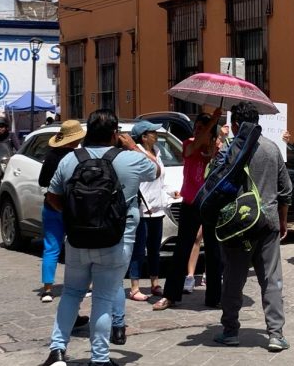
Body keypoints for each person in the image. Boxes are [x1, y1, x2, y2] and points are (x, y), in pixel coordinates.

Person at [41, 109, 157, 366]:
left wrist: (74, 217)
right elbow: (156, 171)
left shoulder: (70, 159)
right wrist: (132, 146)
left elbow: (52, 196)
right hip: (116, 241)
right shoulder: (129, 159)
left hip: (78, 239)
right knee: (103, 298)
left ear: (87, 133)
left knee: (71, 292)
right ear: (115, 133)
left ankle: (58, 351)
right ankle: (100, 359)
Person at [214, 101, 292, 352]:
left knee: (233, 279)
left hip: (237, 226)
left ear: (235, 125)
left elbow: (213, 186)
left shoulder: (228, 151)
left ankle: (230, 331)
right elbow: (286, 190)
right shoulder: (271, 148)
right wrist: (282, 220)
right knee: (271, 279)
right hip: (267, 222)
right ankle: (275, 334)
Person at [153, 111, 222, 311]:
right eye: (197, 127)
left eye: (202, 127)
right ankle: (170, 295)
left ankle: (214, 296)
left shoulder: (217, 148)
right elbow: (192, 149)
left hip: (210, 203)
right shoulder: (188, 143)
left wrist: (216, 147)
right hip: (191, 202)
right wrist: (211, 124)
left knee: (213, 251)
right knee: (182, 249)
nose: (198, 131)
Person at [39, 120, 86, 302]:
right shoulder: (78, 157)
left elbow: (42, 181)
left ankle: (48, 289)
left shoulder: (51, 156)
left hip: (50, 206)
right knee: (77, 248)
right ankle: (83, 285)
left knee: (51, 248)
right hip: (73, 208)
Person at [127, 121, 174, 301]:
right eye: (152, 132)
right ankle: (135, 287)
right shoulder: (135, 153)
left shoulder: (157, 152)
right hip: (142, 209)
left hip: (158, 209)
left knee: (155, 249)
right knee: (139, 249)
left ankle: (154, 283)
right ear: (144, 136)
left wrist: (170, 192)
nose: (156, 135)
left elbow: (161, 179)